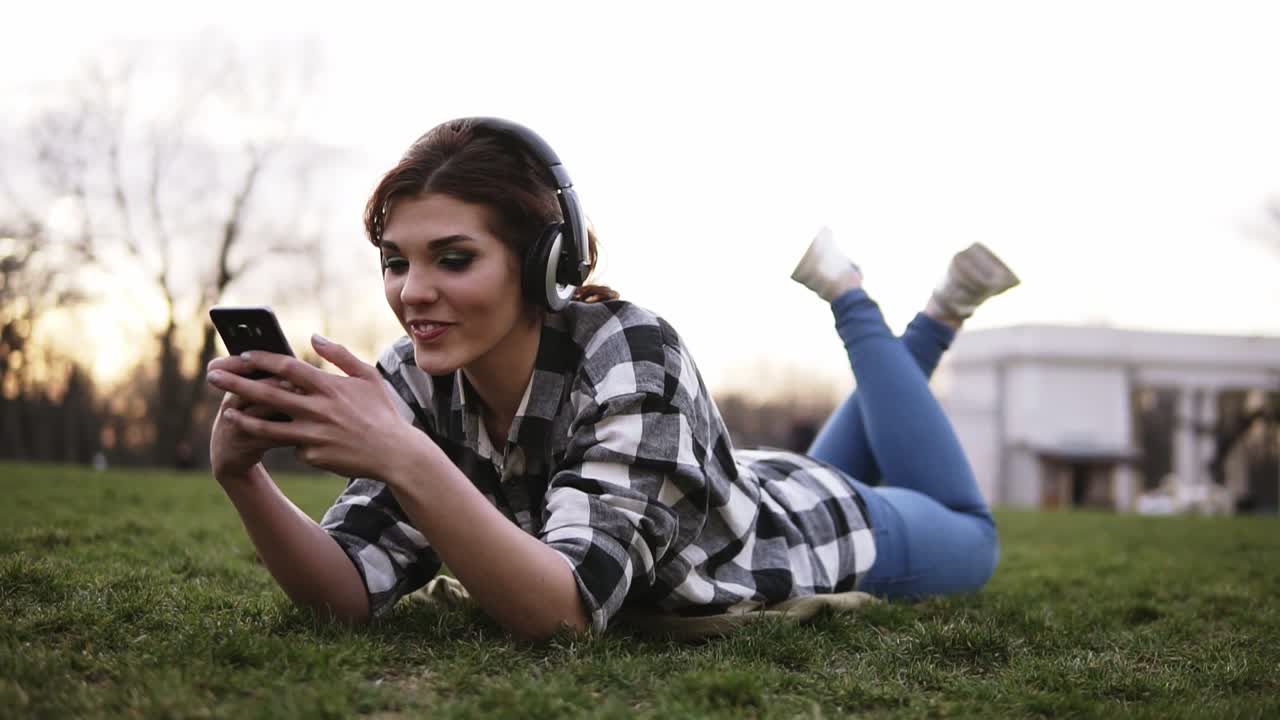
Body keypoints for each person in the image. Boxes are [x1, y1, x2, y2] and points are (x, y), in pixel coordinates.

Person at [204, 118, 1019, 640]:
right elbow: (344, 594)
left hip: (826, 533)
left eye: (454, 258)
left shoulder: (632, 349)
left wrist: (404, 458)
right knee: (853, 458)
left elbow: (564, 612)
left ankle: (872, 300)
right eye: (396, 262)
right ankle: (927, 307)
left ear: (543, 262)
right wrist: (241, 477)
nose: (413, 292)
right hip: (747, 485)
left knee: (972, 533)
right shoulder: (412, 383)